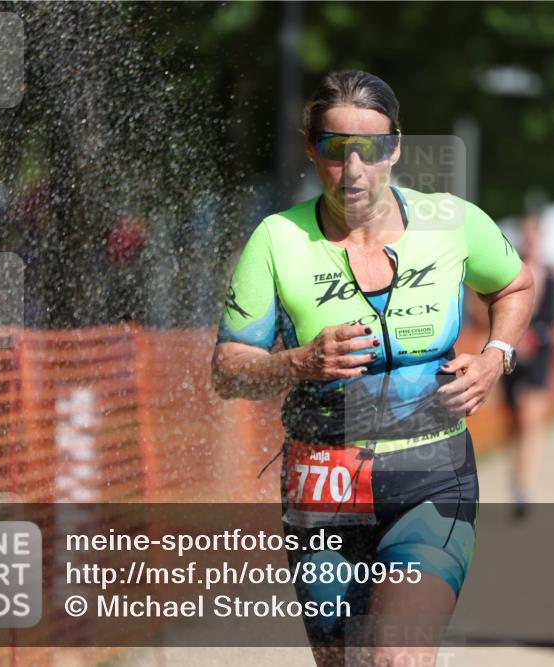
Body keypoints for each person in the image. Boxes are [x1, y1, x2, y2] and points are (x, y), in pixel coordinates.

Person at [212, 70, 534, 666]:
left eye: (373, 148)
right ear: (311, 147)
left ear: (397, 148)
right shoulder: (277, 240)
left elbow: (516, 285)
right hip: (323, 486)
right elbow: (228, 370)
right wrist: (300, 361)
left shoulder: (452, 221)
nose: (355, 170)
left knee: (396, 658)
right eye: (336, 150)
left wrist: (496, 356)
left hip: (433, 478)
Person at [503, 214, 554, 516]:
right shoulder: (509, 268)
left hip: (543, 350)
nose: (531, 240)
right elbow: (480, 301)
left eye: (536, 235)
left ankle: (524, 485)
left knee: (530, 418)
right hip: (512, 349)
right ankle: (516, 473)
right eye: (527, 234)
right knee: (514, 421)